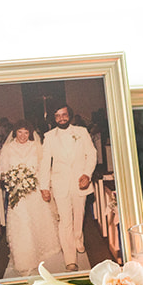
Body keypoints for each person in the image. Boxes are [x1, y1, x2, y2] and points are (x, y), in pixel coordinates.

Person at [0, 123, 61, 277]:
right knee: (22, 222)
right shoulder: (8, 148)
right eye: (20, 132)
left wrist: (35, 183)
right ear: (14, 132)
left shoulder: (36, 146)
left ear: (30, 133)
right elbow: (3, 170)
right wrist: (14, 181)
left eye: (26, 132)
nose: (23, 136)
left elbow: (42, 167)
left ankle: (42, 249)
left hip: (34, 189)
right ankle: (24, 258)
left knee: (36, 220)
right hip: (16, 191)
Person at [37, 105, 98, 271]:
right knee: (65, 220)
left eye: (64, 115)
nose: (61, 118)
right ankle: (70, 259)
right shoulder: (49, 137)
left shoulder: (81, 132)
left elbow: (91, 154)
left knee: (79, 215)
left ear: (69, 116)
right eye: (57, 116)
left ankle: (78, 238)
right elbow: (45, 163)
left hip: (80, 181)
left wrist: (87, 174)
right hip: (59, 183)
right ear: (54, 118)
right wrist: (44, 186)